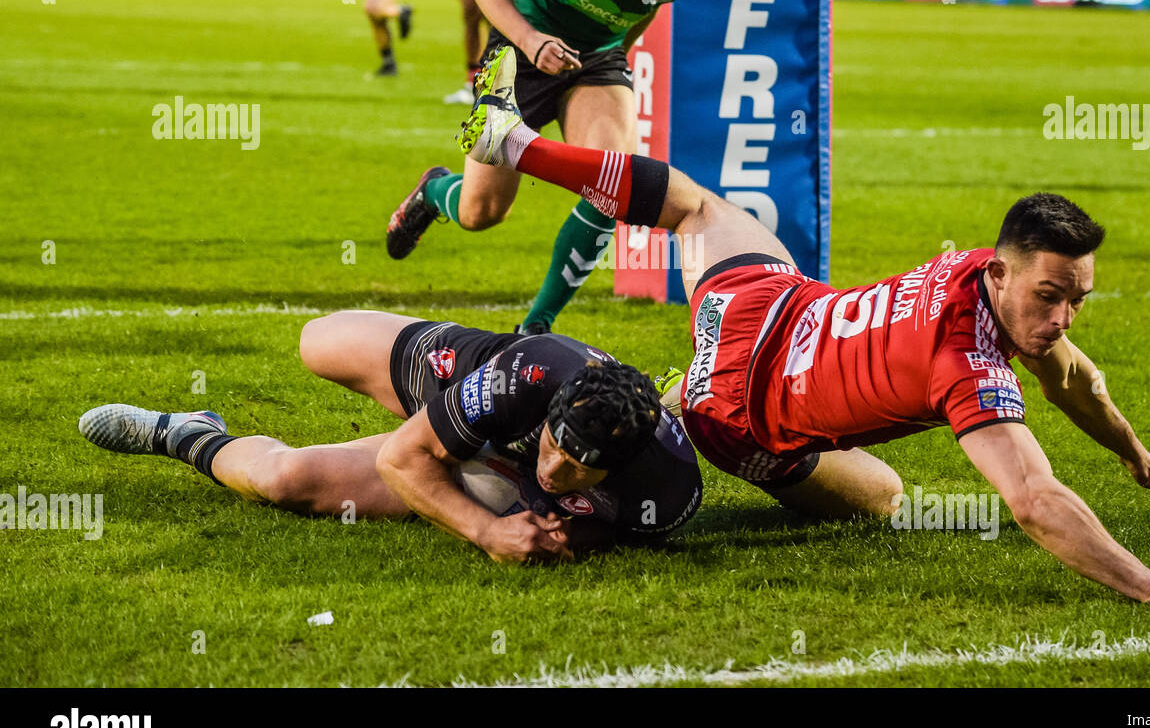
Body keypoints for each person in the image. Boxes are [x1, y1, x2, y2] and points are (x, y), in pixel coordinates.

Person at [447, 45, 1150, 607]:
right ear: (1002, 274)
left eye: (1076, 300)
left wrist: (1131, 449)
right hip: (741, 420)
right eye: (1051, 298)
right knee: (888, 497)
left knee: (696, 206)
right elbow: (1032, 499)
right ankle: (624, 418)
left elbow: (1071, 372)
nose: (1061, 317)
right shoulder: (966, 366)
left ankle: (516, 144)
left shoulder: (979, 267)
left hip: (762, 302)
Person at [77, 311, 702, 564]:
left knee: (283, 480)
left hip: (495, 472)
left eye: (578, 470)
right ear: (555, 409)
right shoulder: (534, 375)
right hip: (471, 381)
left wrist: (553, 524)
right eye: (555, 447)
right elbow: (404, 459)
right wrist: (487, 535)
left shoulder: (667, 490)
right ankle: (449, 425)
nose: (557, 471)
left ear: (621, 463)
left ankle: (187, 435)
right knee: (316, 342)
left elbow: (610, 529)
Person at [385, 0, 718, 336]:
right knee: (482, 214)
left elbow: (649, 1)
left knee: (612, 186)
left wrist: (616, 55)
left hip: (595, 58)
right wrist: (531, 41)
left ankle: (535, 327)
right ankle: (436, 191)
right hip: (522, 48)